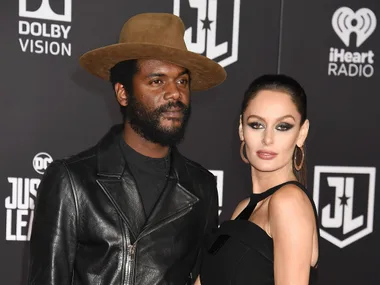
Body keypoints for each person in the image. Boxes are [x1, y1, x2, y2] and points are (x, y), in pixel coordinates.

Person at [27, 13, 226, 285]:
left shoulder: (202, 187)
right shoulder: (72, 182)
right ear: (123, 93)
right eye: (157, 81)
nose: (175, 94)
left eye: (182, 81)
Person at [196, 74, 319, 285]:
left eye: (283, 127)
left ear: (302, 133)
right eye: (256, 125)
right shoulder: (243, 209)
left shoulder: (288, 202)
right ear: (241, 130)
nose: (267, 139)